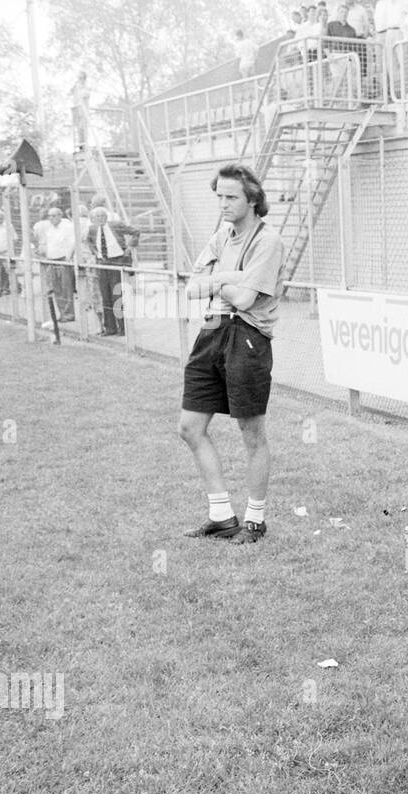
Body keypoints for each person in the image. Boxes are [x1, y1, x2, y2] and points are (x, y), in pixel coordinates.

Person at [178, 164, 286, 546]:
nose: (222, 204)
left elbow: (244, 300)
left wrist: (219, 280)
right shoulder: (222, 235)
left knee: (251, 432)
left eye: (231, 197)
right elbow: (191, 288)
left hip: (247, 337)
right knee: (190, 427)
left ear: (252, 199)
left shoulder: (267, 241)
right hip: (210, 331)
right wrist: (229, 278)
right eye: (219, 196)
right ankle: (222, 516)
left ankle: (255, 521)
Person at [86, 207, 137, 337]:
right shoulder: (92, 229)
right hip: (102, 264)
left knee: (117, 295)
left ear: (106, 217)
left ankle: (122, 328)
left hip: (117, 262)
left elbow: (136, 232)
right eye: (97, 217)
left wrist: (129, 248)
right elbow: (89, 242)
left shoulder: (117, 225)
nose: (100, 219)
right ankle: (110, 328)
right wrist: (96, 253)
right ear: (94, 219)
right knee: (105, 296)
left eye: (102, 216)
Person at [42, 206, 79, 324]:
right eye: (49, 216)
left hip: (63, 260)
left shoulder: (67, 227)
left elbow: (72, 243)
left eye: (53, 216)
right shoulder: (49, 229)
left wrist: (67, 258)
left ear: (59, 216)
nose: (51, 218)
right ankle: (62, 313)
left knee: (66, 288)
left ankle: (69, 314)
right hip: (52, 260)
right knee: (57, 288)